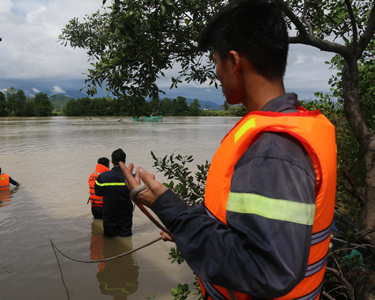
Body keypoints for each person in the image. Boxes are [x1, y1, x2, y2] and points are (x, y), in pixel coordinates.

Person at [120, 1, 337, 299]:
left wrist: (178, 217)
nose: (218, 75)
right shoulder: (292, 125)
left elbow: (267, 270)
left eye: (217, 63)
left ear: (235, 62)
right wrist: (177, 216)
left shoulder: (272, 149)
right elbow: (248, 234)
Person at [95, 149, 133, 237]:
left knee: (109, 240)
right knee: (126, 239)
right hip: (125, 216)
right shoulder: (131, 178)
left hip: (109, 216)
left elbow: (98, 193)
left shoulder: (102, 177)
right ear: (124, 161)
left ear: (112, 161)